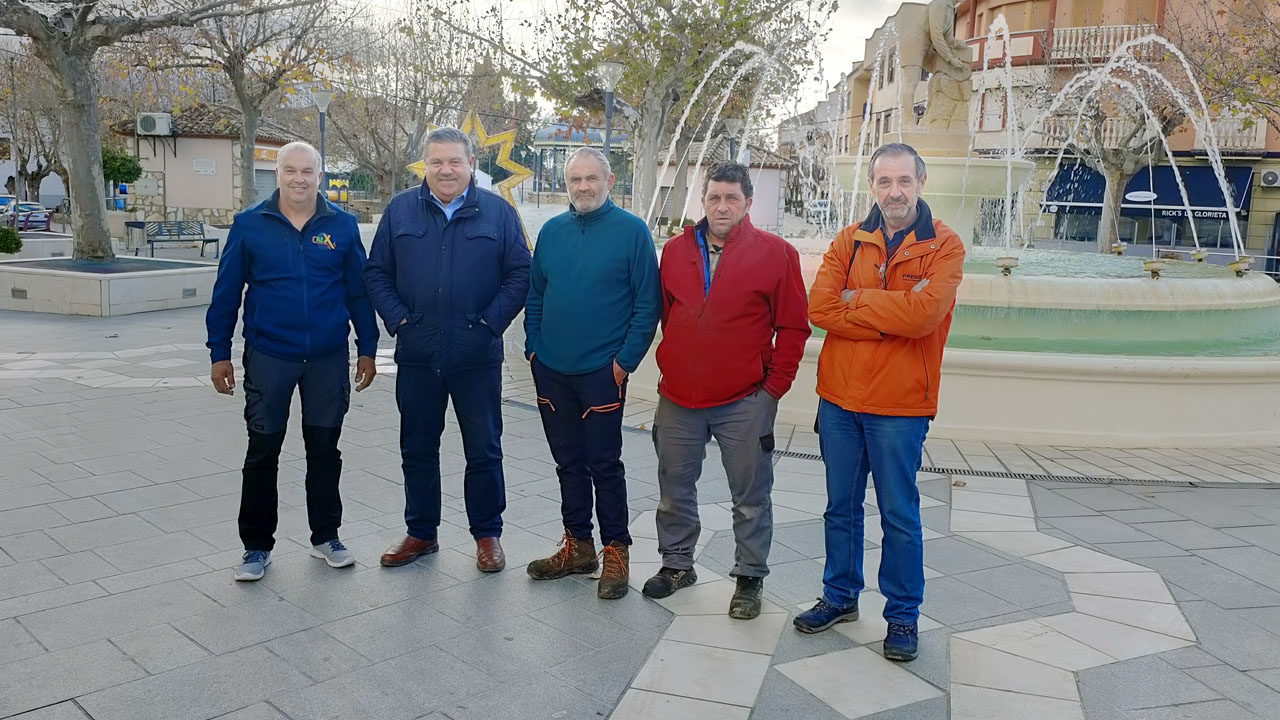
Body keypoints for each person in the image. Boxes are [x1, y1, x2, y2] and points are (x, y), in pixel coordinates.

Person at [795, 143, 964, 662]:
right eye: (884, 181)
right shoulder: (849, 240)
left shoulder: (945, 246)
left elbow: (924, 318)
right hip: (840, 402)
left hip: (901, 407)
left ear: (921, 182)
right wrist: (891, 319)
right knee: (839, 508)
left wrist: (860, 302)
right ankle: (841, 596)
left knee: (899, 514)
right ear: (872, 186)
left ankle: (903, 617)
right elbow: (820, 306)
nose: (894, 191)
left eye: (904, 181)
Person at [643, 161, 811, 619]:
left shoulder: (777, 254)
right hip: (678, 398)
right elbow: (667, 314)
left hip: (744, 400)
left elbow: (794, 328)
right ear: (704, 201)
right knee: (674, 489)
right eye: (714, 197)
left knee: (750, 495)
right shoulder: (676, 251)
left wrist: (771, 390)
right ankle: (677, 565)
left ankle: (749, 577)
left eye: (731, 198)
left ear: (748, 203)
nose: (722, 206)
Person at [206, 141, 379, 582]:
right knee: (262, 451)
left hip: (326, 360)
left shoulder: (341, 226)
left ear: (319, 176)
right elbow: (226, 294)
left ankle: (326, 537)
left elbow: (358, 292)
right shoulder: (250, 225)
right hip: (269, 357)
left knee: (324, 450)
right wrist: (219, 353)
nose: (299, 179)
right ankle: (255, 547)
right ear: (278, 173)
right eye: (290, 171)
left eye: (308, 171)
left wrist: (367, 348)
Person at [364, 127, 530, 573]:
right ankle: (421, 532)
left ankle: (487, 535)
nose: (446, 170)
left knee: (484, 448)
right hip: (418, 354)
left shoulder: (497, 212)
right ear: (425, 165)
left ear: (471, 163)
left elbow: (520, 274)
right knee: (417, 447)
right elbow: (377, 272)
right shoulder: (400, 210)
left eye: (454, 161)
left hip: (476, 355)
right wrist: (399, 321)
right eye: (436, 162)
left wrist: (490, 324)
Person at [523, 147, 661, 599]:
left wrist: (624, 363)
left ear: (609, 180)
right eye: (575, 180)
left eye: (591, 179)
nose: (583, 187)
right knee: (568, 463)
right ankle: (577, 545)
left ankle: (616, 550)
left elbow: (647, 304)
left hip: (603, 373)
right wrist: (533, 350)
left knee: (604, 464)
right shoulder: (553, 232)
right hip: (552, 371)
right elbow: (536, 295)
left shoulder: (632, 232)